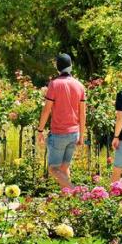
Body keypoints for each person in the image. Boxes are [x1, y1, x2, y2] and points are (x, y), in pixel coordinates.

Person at [37, 53, 86, 189]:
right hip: (74, 133)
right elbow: (83, 114)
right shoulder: (79, 85)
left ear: (58, 68)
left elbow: (47, 110)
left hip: (59, 134)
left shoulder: (54, 84)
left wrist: (40, 130)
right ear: (71, 66)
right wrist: (82, 135)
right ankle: (69, 201)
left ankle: (74, 190)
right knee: (64, 169)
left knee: (53, 169)